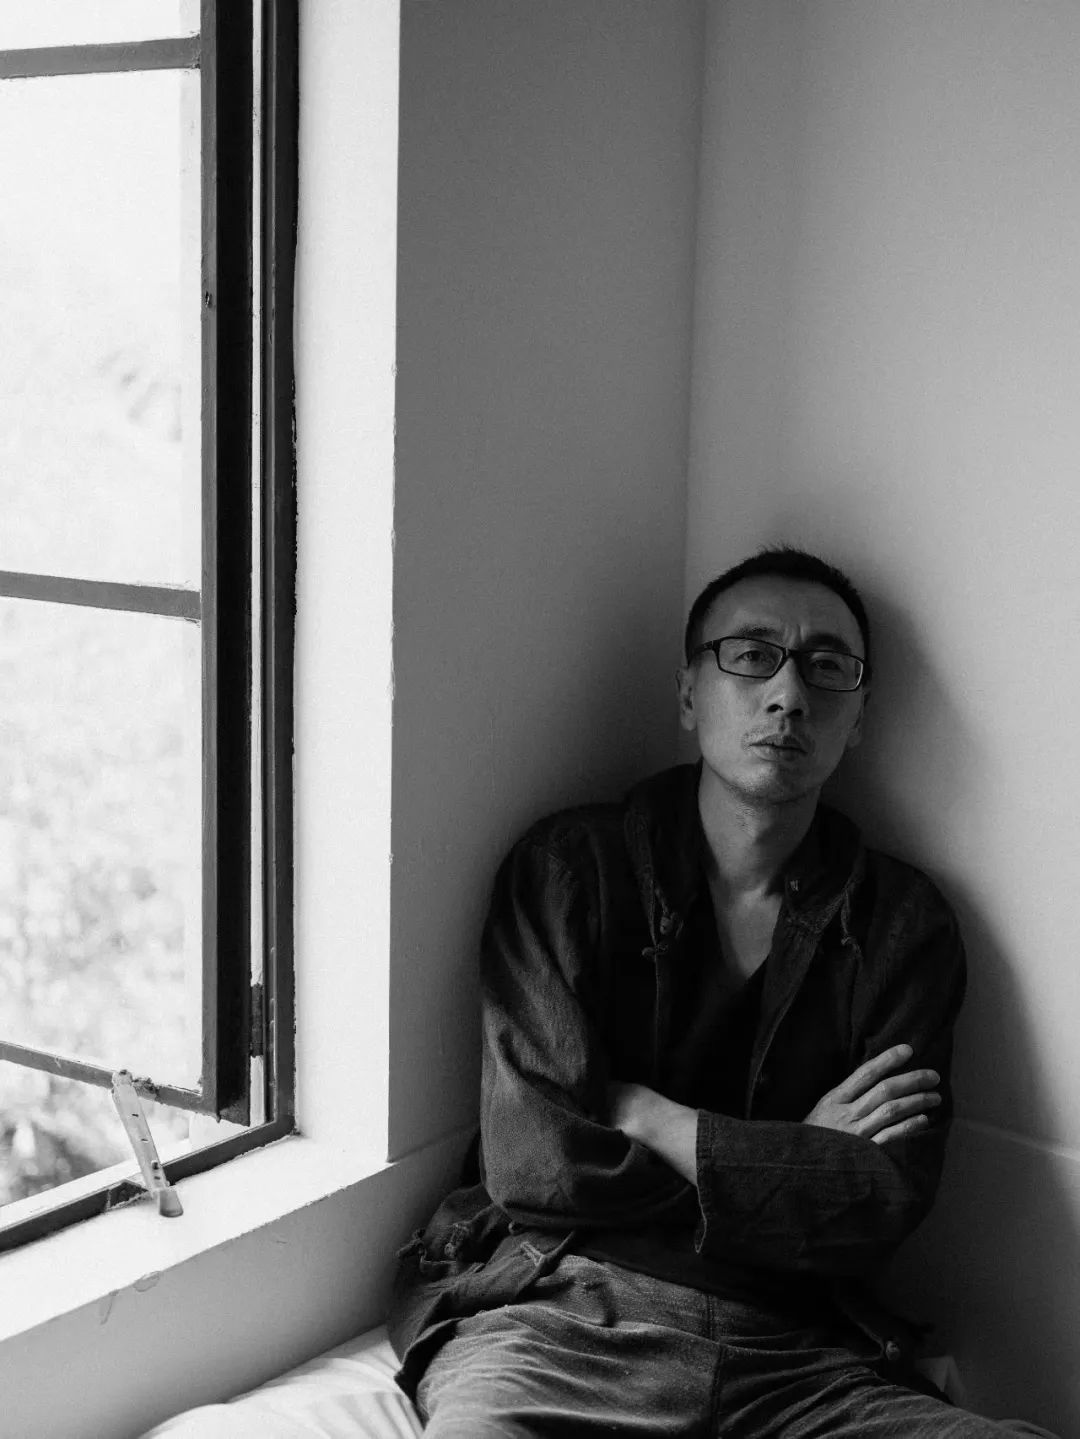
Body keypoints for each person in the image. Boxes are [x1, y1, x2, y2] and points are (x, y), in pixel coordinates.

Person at [387, 547, 1056, 1438]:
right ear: (688, 693)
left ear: (858, 717)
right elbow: (539, 1163)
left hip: (801, 1352)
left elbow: (878, 1201)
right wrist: (792, 1161)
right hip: (561, 1312)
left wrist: (658, 1120)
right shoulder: (569, 871)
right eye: (751, 655)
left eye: (827, 666)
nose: (788, 694)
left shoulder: (903, 924)